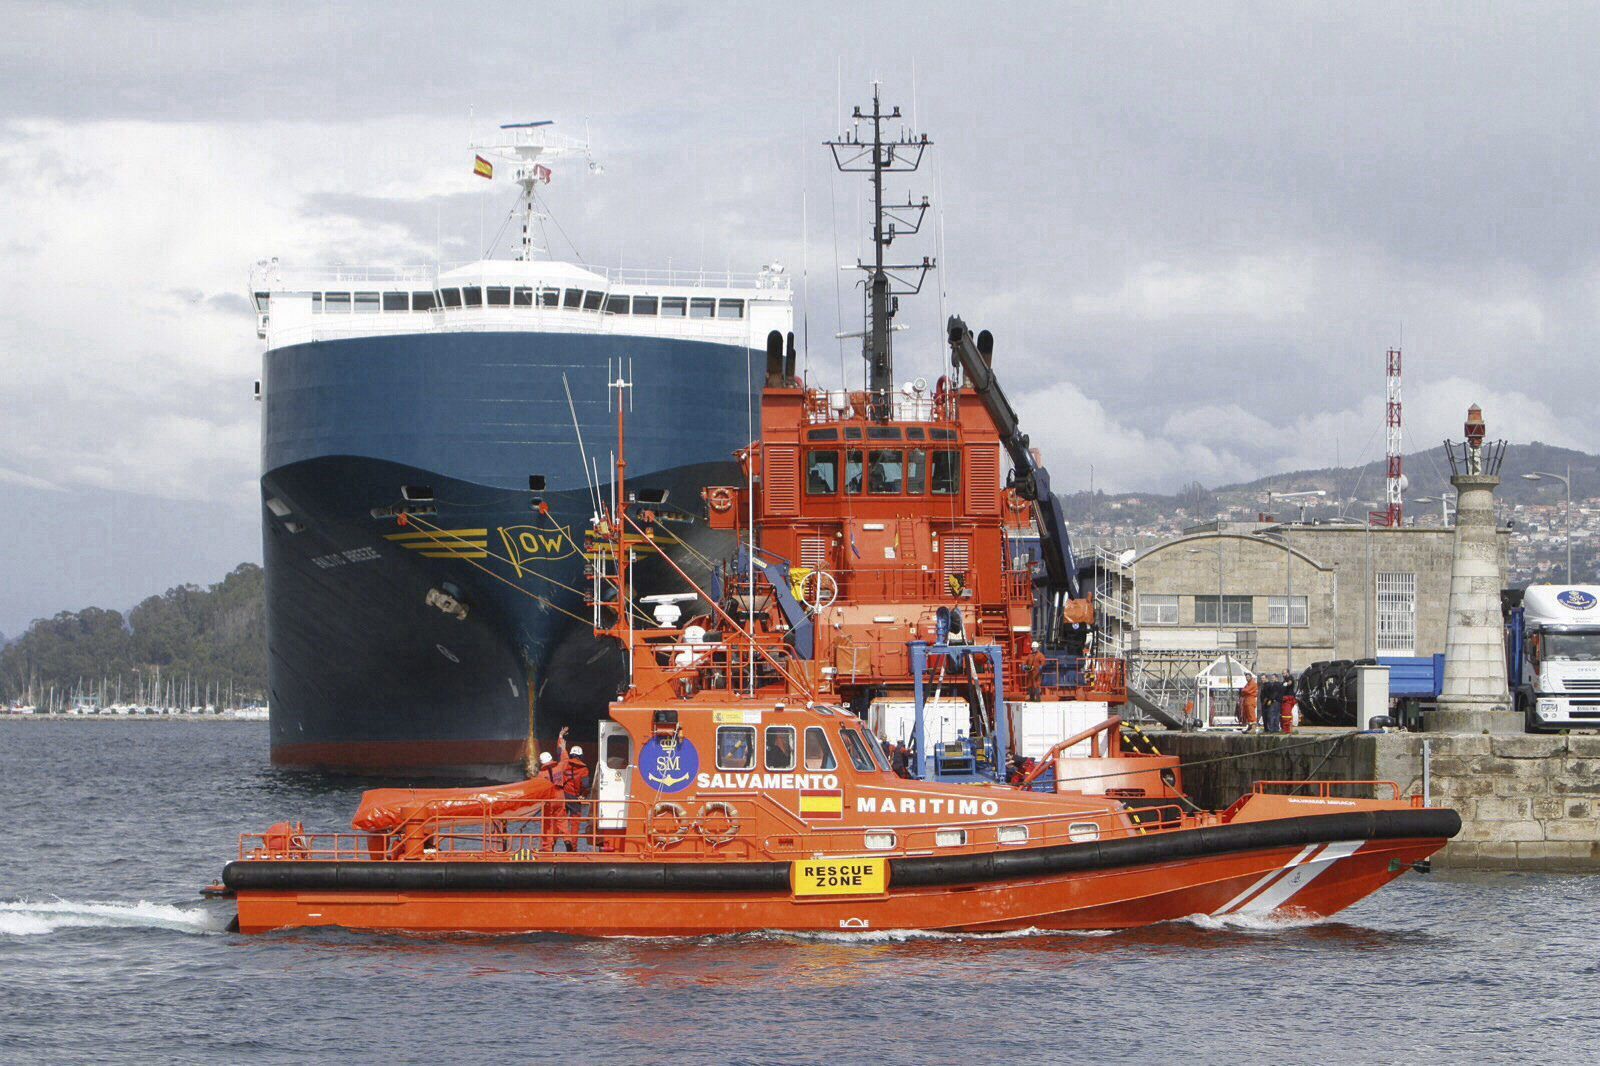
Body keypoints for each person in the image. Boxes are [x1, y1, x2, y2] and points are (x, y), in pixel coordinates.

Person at [559, 743, 591, 851]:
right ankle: (573, 848)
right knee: (575, 823)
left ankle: (564, 839)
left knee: (560, 821)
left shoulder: (565, 764)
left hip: (563, 796)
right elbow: (586, 786)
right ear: (581, 756)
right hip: (574, 798)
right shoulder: (583, 769)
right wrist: (583, 795)